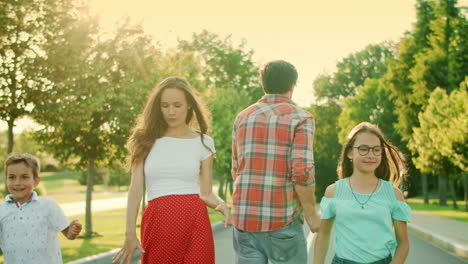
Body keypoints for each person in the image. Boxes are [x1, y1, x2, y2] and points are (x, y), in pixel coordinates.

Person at [112, 76, 232, 264]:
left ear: (189, 105)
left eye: (177, 105)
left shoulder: (204, 143)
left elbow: (206, 193)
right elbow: (135, 190)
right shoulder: (144, 140)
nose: (171, 112)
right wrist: (130, 233)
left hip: (195, 220)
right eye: (165, 105)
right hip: (159, 221)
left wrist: (223, 206)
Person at [231, 60, 320, 264]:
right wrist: (311, 214)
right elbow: (301, 171)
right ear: (293, 85)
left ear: (263, 84)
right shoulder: (301, 118)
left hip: (244, 221)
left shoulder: (242, 118)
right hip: (281, 222)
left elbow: (236, 169)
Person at [313, 122, 411, 264]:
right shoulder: (333, 192)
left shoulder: (394, 194)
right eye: (364, 149)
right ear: (350, 152)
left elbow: (403, 244)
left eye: (376, 150)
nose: (371, 155)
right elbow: (323, 234)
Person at [0, 152, 82, 264]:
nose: (17, 183)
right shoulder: (1, 210)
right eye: (12, 177)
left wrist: (73, 231)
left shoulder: (48, 205)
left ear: (36, 181)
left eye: (24, 177)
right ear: (6, 180)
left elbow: (69, 235)